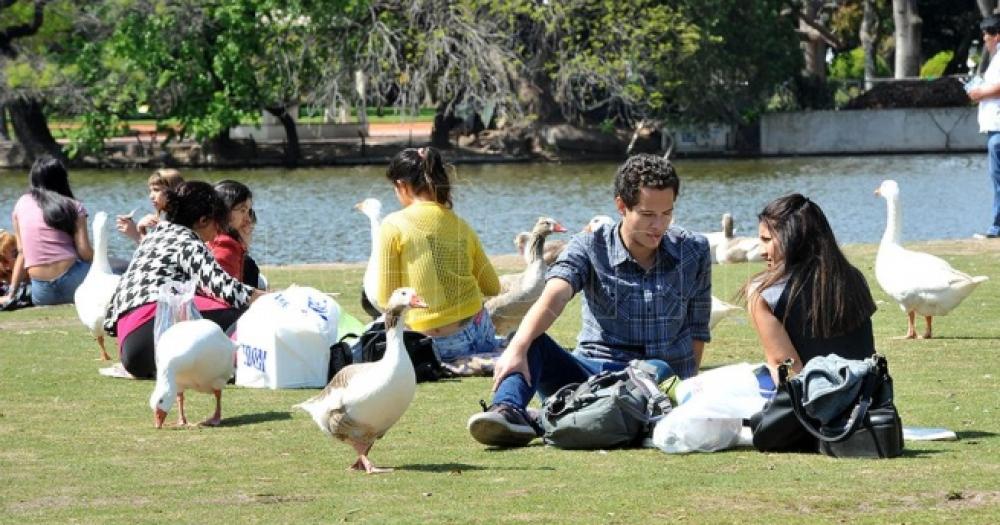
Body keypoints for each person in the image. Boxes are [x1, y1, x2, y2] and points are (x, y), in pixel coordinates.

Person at [467, 154, 712, 447]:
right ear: (621, 206)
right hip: (591, 377)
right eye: (647, 215)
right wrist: (516, 348)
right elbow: (554, 297)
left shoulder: (694, 250)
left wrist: (688, 391)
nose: (658, 225)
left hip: (657, 379)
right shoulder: (589, 246)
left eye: (666, 214)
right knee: (528, 340)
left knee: (655, 367)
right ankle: (507, 412)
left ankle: (556, 419)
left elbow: (697, 330)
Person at [104, 181, 264, 379]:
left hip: (130, 348)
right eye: (217, 221)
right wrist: (270, 299)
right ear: (203, 220)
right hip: (151, 332)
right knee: (245, 313)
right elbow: (225, 288)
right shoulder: (187, 241)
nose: (218, 229)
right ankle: (240, 362)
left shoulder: (155, 237)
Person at [375, 147, 502, 365]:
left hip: (432, 345)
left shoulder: (392, 225)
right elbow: (492, 287)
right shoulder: (461, 225)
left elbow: (386, 297)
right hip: (481, 334)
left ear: (401, 186)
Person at [743, 194, 876, 380]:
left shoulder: (763, 294)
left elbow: (788, 370)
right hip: (868, 399)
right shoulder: (854, 278)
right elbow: (865, 353)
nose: (761, 251)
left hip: (816, 403)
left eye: (766, 240)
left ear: (792, 238)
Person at [1, 156, 93, 307]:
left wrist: (12, 293)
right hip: (75, 285)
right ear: (62, 179)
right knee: (115, 268)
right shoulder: (73, 206)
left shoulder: (21, 204)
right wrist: (103, 259)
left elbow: (22, 253)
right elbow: (85, 252)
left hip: (42, 294)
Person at [968, 15, 1000, 239]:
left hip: (999, 128)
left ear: (996, 36)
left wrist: (980, 92)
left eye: (986, 37)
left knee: (998, 178)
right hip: (994, 126)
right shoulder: (996, 59)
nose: (984, 41)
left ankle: (997, 226)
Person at [116, 168, 185, 243]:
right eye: (151, 191)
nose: (151, 196)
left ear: (173, 190)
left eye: (156, 190)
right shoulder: (166, 220)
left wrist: (137, 234)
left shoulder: (180, 223)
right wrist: (141, 231)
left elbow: (162, 252)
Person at [210, 180, 253, 284]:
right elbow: (226, 291)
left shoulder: (210, 239)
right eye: (243, 210)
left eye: (249, 212)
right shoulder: (224, 246)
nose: (248, 219)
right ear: (225, 209)